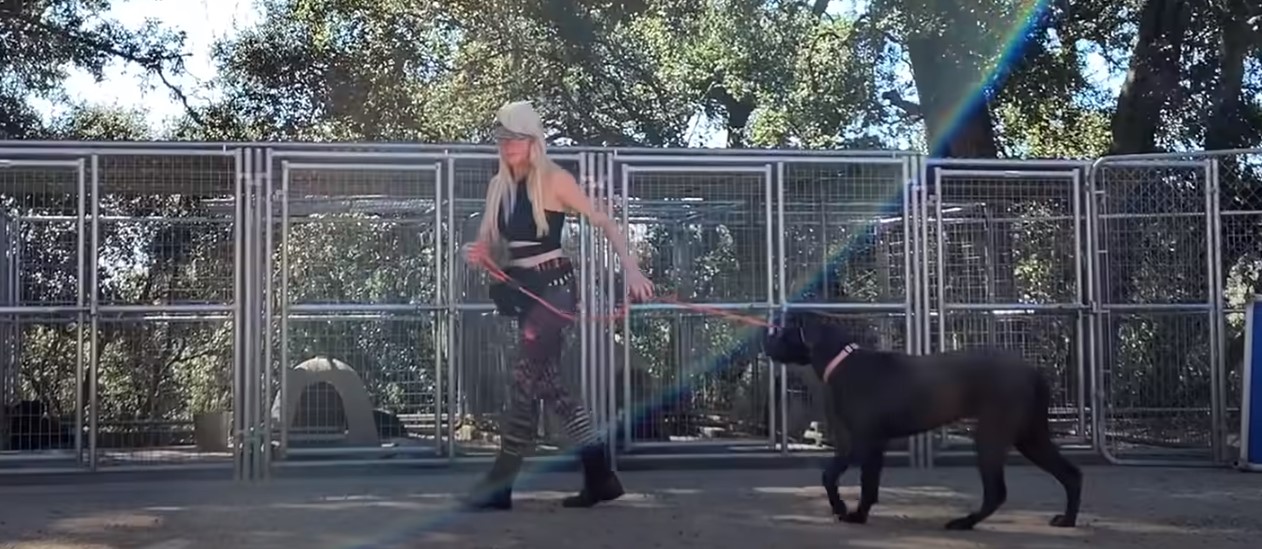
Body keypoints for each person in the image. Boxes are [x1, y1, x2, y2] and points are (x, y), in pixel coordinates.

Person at [461, 100, 655, 511]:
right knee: (551, 388)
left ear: (533, 139)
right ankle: (600, 474)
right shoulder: (498, 186)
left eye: (516, 137)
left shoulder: (553, 180)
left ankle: (500, 482)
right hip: (524, 292)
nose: (508, 145)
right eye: (503, 137)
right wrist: (480, 254)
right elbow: (493, 246)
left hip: (554, 291)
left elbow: (604, 221)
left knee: (524, 378)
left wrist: (633, 271)